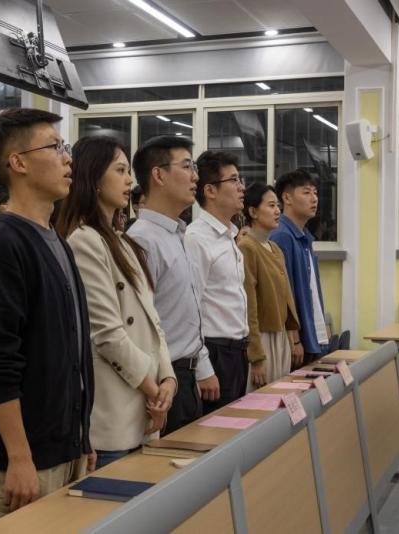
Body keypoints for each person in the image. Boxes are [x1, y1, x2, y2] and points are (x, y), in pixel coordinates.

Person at [0, 108, 94, 530]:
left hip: (62, 450)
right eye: (55, 147)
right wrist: (18, 457)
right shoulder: (4, 244)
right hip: (22, 462)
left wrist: (81, 439)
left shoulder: (55, 240)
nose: (67, 158)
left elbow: (72, 350)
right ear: (18, 163)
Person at [56, 136, 175, 468]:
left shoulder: (124, 242)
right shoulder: (84, 240)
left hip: (146, 407)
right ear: (94, 178)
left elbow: (153, 322)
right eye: (120, 171)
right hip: (116, 416)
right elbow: (108, 335)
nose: (129, 180)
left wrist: (168, 380)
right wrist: (154, 389)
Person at [128, 135, 220, 434]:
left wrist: (202, 366)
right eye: (187, 166)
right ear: (158, 175)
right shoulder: (142, 239)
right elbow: (138, 326)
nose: (195, 177)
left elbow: (190, 312)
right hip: (162, 381)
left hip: (186, 375)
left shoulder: (178, 234)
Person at [185, 150, 249, 413]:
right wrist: (203, 367)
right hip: (215, 352)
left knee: (238, 428)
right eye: (233, 180)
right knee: (216, 431)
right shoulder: (196, 238)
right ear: (210, 190)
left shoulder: (229, 236)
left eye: (240, 179)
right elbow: (192, 308)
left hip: (238, 350)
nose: (241, 187)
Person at [238, 183, 301, 390]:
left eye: (278, 206)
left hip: (280, 335)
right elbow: (249, 306)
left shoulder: (275, 248)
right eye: (271, 205)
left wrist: (291, 338)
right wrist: (256, 356)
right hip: (262, 338)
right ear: (253, 212)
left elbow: (286, 298)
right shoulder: (247, 247)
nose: (277, 211)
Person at [270, 170, 328, 364]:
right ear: (287, 198)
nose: (314, 198)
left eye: (315, 193)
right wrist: (294, 339)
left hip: (309, 336)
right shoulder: (281, 236)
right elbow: (283, 295)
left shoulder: (304, 237)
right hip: (296, 343)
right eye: (306, 192)